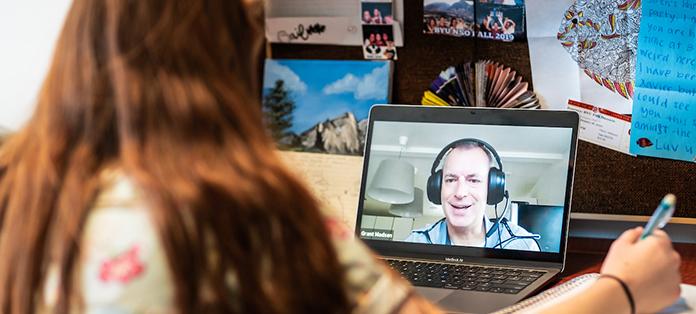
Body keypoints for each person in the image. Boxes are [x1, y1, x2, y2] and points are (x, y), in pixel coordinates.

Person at [0, 0, 681, 313]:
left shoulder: (18, 187)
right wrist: (619, 290)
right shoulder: (238, 215)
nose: (463, 190)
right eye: (452, 177)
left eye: (477, 178)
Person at [405, 140, 540, 251]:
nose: (460, 193)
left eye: (473, 180)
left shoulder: (523, 245)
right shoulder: (415, 242)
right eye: (451, 180)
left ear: (492, 189)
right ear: (437, 187)